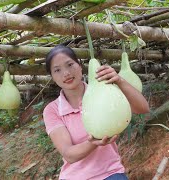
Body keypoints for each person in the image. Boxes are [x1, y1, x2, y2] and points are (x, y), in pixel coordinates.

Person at [43, 45, 150, 180]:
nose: (66, 73)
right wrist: (93, 143)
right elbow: (68, 154)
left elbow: (142, 109)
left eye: (70, 65)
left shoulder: (105, 91)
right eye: (57, 70)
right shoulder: (52, 110)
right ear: (52, 77)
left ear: (80, 65)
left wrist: (119, 80)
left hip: (110, 173)